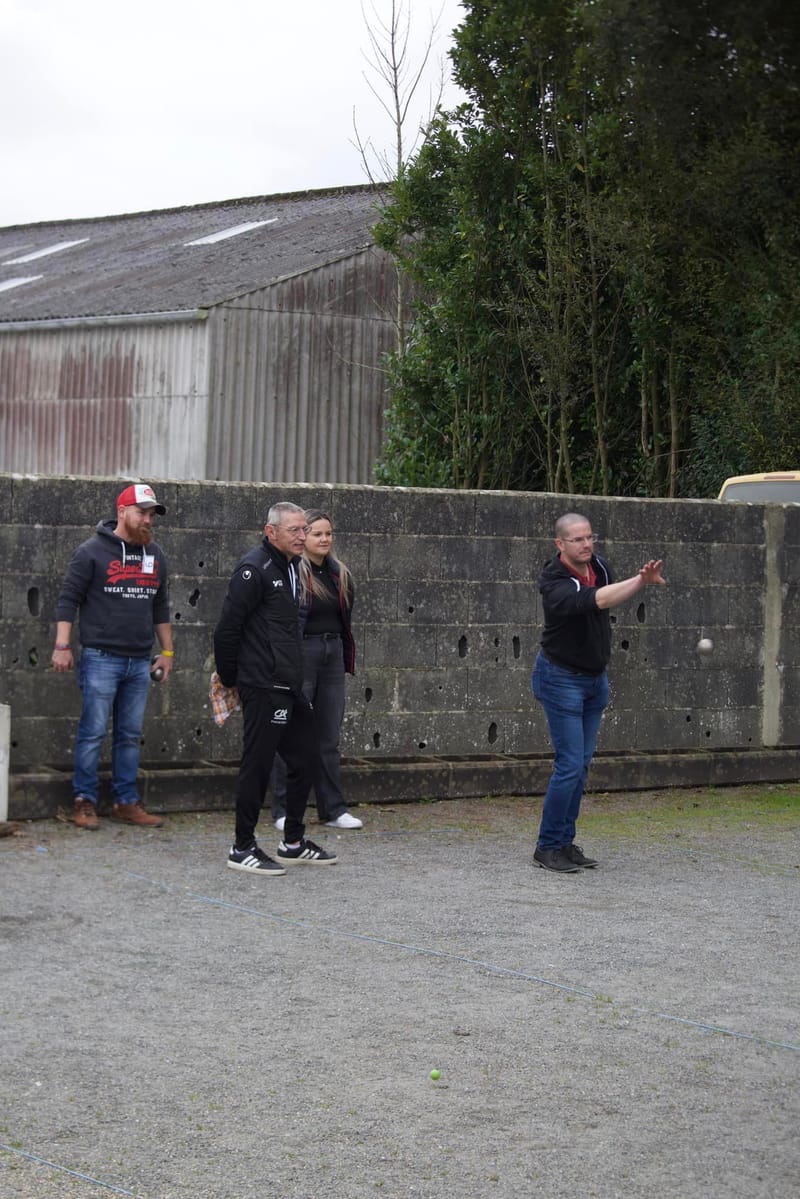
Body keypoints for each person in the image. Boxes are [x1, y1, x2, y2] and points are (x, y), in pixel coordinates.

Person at [532, 512, 666, 872]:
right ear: (560, 544)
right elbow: (599, 601)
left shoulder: (599, 566)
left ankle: (564, 842)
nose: (587, 544)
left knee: (582, 765)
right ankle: (546, 847)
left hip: (594, 680)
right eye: (578, 539)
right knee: (570, 764)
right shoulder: (554, 581)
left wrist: (638, 580)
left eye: (590, 537)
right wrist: (640, 581)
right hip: (560, 679)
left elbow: (605, 592)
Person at [213, 501, 337, 875]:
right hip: (263, 684)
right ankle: (242, 846)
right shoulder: (254, 570)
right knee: (258, 763)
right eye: (295, 530)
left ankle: (294, 841)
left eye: (305, 529)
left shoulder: (291, 567)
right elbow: (227, 629)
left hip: (289, 682)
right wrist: (232, 677)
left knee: (307, 757)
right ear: (271, 532)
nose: (303, 536)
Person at [52, 483, 174, 830]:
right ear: (122, 512)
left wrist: (166, 652)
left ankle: (125, 802)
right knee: (92, 733)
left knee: (130, 734)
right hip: (101, 658)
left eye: (152, 514)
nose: (148, 519)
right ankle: (84, 801)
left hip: (140, 661)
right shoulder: (91, 552)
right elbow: (68, 600)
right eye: (142, 512)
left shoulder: (157, 555)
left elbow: (161, 607)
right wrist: (62, 645)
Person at [270, 508, 361, 832]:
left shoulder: (340, 573)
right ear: (303, 537)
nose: (324, 539)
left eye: (328, 534)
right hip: (302, 653)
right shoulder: (294, 574)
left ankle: (333, 809)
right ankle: (281, 809)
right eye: (316, 533)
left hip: (332, 653)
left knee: (328, 736)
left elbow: (345, 622)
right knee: (291, 734)